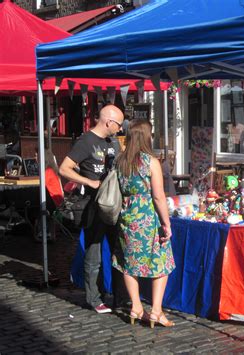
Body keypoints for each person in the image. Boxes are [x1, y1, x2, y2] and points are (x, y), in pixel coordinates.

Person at [59, 104, 124, 314]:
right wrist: (87, 181)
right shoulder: (86, 141)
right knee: (94, 251)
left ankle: (118, 296)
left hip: (114, 205)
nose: (120, 129)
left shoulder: (113, 142)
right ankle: (94, 298)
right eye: (119, 124)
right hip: (93, 206)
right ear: (109, 122)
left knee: (118, 251)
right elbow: (64, 168)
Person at [111, 119, 175, 328]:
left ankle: (136, 307)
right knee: (161, 262)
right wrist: (166, 223)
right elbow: (158, 197)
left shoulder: (120, 161)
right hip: (148, 218)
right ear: (147, 136)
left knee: (129, 264)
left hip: (127, 217)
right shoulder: (150, 162)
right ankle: (156, 311)